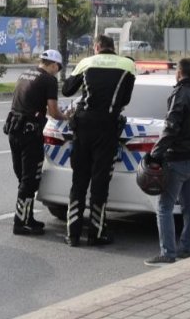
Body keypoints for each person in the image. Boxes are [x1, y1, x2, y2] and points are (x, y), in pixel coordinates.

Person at [60, 34, 137, 247]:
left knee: (79, 180)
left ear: (96, 47)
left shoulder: (86, 62)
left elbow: (67, 90)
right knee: (100, 182)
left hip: (83, 126)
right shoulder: (127, 65)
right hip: (107, 127)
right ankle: (96, 233)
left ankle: (72, 234)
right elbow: (126, 99)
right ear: (114, 48)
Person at [143, 57, 190, 266]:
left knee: (164, 207)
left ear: (179, 73)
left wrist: (155, 154)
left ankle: (167, 253)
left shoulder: (179, 95)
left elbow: (170, 129)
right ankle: (187, 248)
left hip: (178, 160)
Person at [5, 49, 65, 235]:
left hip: (14, 130)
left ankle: (27, 217)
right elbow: (54, 112)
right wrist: (67, 117)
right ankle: (20, 223)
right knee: (29, 179)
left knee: (22, 177)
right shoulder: (49, 80)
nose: (57, 71)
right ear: (53, 65)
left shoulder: (25, 74)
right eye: (58, 68)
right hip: (30, 133)